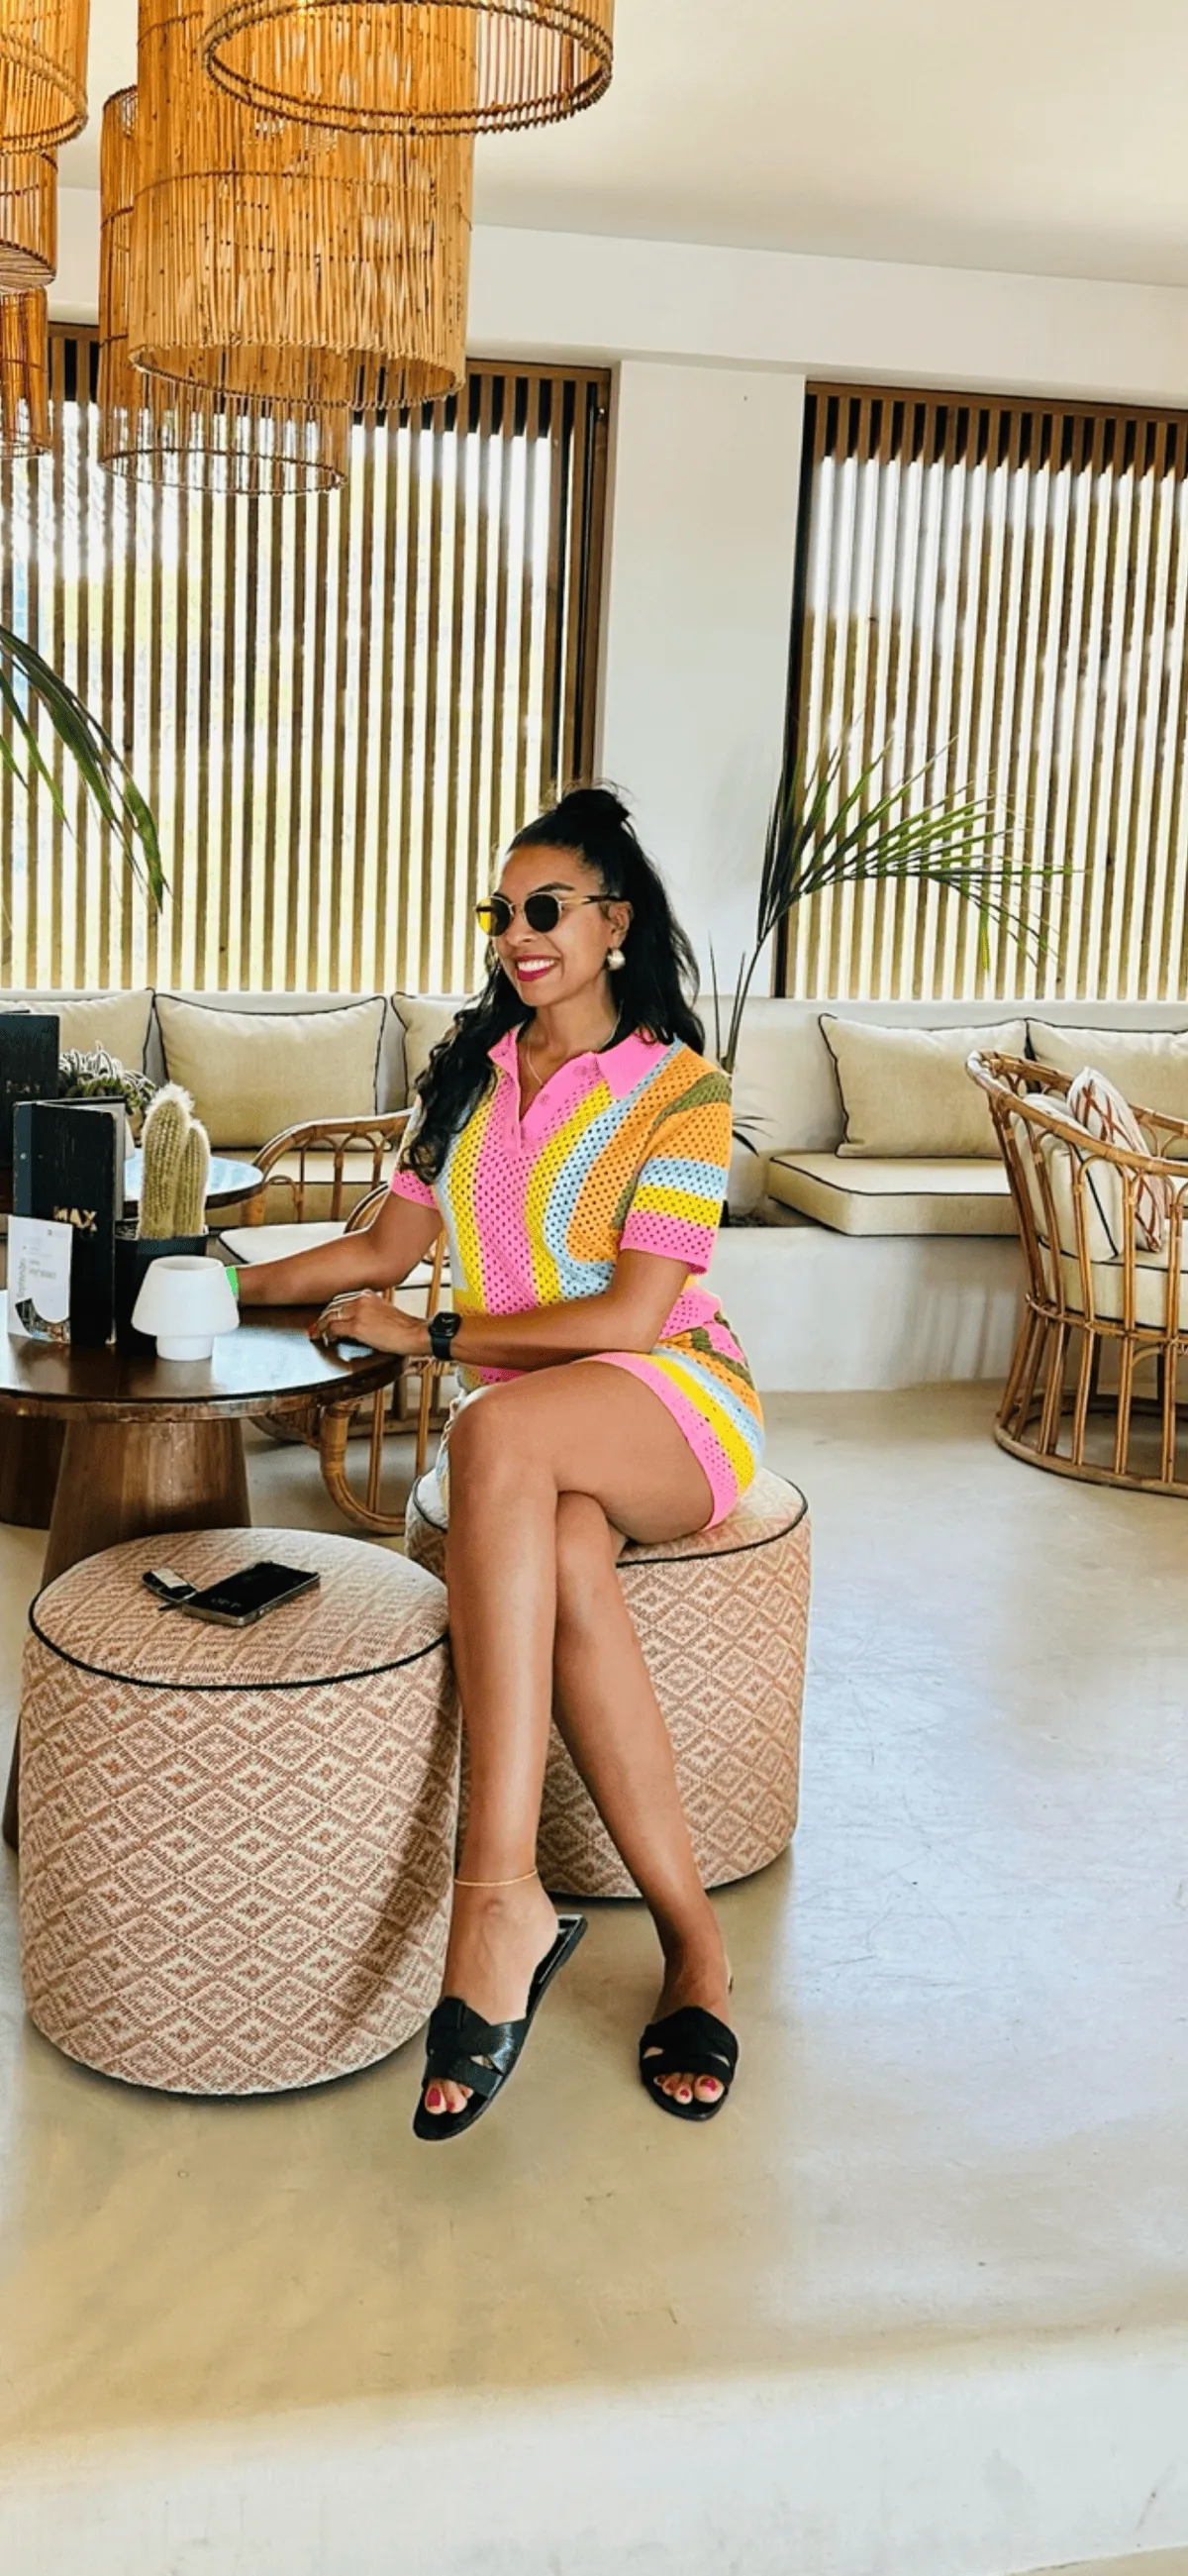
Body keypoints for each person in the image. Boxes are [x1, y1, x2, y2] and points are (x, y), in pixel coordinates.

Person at [238, 786, 763, 2139]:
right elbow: (370, 1253)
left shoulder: (681, 1093)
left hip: (674, 1400)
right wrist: (189, 1283)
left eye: (546, 909)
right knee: (562, 1549)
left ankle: (493, 1904)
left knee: (492, 1424)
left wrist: (443, 1336)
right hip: (535, 1447)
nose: (518, 935)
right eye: (501, 912)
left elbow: (637, 1317)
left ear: (614, 921)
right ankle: (697, 1949)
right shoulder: (468, 1076)